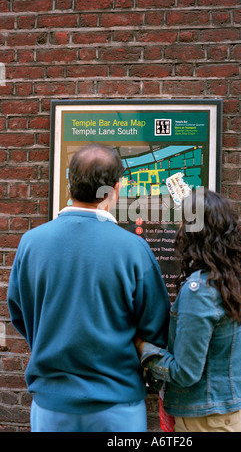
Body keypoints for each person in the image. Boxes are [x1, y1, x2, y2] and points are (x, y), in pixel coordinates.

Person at [7, 143, 170, 432]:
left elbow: (20, 314)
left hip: (51, 404)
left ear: (69, 182)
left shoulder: (30, 244)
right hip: (118, 406)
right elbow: (155, 327)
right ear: (115, 189)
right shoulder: (134, 250)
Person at [135, 188, 241, 433]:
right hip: (236, 413)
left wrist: (142, 348)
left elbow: (185, 372)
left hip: (206, 420)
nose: (179, 228)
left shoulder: (199, 290)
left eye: (182, 221)